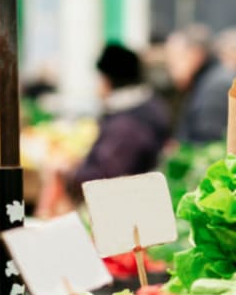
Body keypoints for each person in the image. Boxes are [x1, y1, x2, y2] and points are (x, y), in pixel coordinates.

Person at [36, 43, 171, 213]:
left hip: (122, 211)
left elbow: (105, 177)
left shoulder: (126, 125)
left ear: (108, 81)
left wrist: (68, 174)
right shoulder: (145, 108)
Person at [165, 24, 236, 144]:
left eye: (174, 60)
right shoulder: (207, 81)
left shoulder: (216, 87)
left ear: (195, 54)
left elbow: (207, 142)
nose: (170, 70)